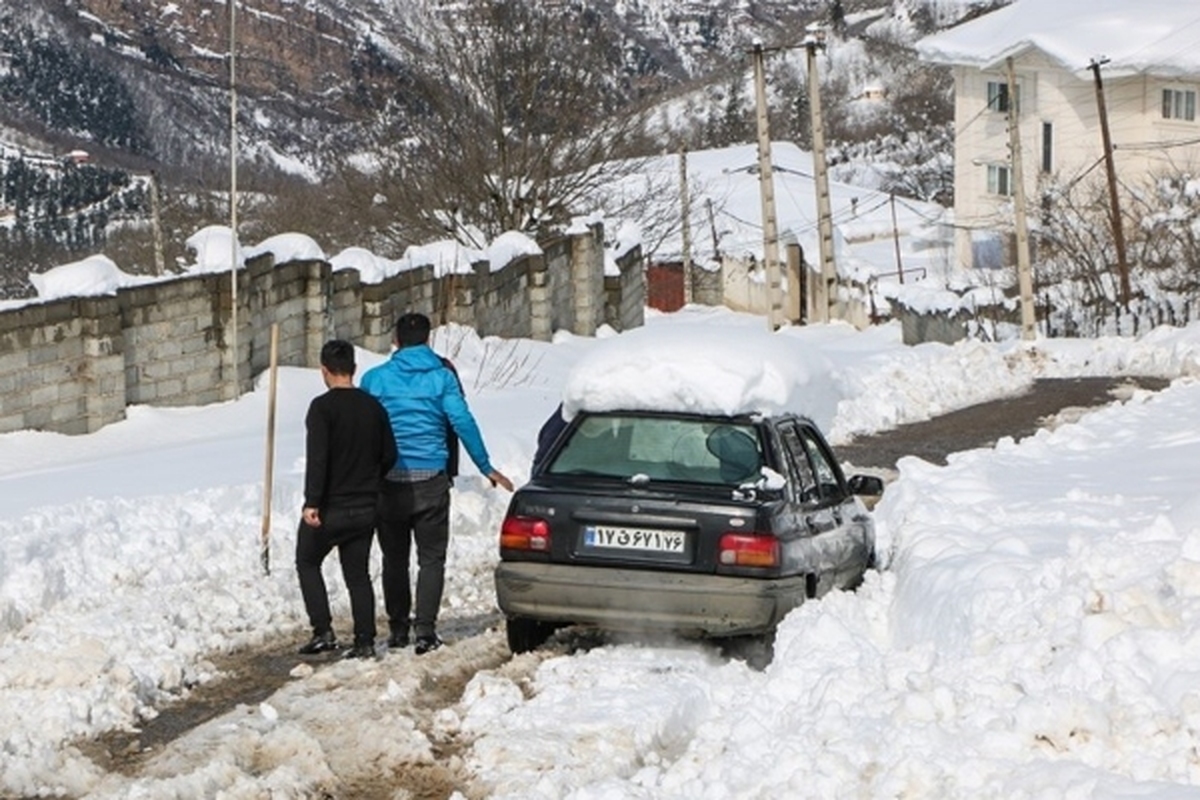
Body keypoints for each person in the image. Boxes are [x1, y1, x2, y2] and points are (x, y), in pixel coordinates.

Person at [361, 312, 514, 655]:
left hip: (389, 481)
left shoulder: (375, 379)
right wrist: (486, 467)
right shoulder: (442, 379)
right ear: (428, 340)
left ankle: (398, 630)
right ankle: (426, 632)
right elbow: (462, 421)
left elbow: (363, 429)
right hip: (431, 479)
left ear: (395, 341)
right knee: (431, 559)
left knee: (394, 558)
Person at [296, 339, 397, 660]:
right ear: (354, 369)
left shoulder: (321, 408)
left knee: (307, 561)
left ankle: (323, 631)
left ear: (324, 371)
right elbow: (390, 454)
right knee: (358, 575)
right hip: (366, 507)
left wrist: (312, 502)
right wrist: (372, 480)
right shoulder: (373, 407)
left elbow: (318, 459)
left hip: (330, 508)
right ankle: (365, 641)